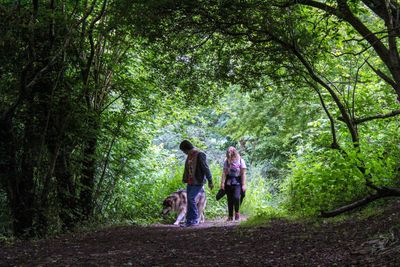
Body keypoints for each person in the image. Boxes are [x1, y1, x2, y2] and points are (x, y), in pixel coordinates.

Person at [180, 140, 214, 227]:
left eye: (184, 151)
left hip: (198, 181)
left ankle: (195, 219)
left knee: (191, 198)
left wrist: (210, 181)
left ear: (187, 149)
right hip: (190, 181)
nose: (184, 153)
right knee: (189, 199)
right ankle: (189, 221)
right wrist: (185, 178)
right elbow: (187, 168)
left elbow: (206, 168)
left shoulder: (200, 155)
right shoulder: (189, 156)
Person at [220, 146, 246, 221]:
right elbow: (224, 173)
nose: (230, 157)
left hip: (237, 181)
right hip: (228, 181)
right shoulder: (226, 161)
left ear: (235, 153)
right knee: (229, 199)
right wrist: (222, 183)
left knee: (236, 197)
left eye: (231, 155)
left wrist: (244, 184)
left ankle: (237, 213)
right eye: (229, 155)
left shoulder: (241, 160)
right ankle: (230, 216)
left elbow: (243, 173)